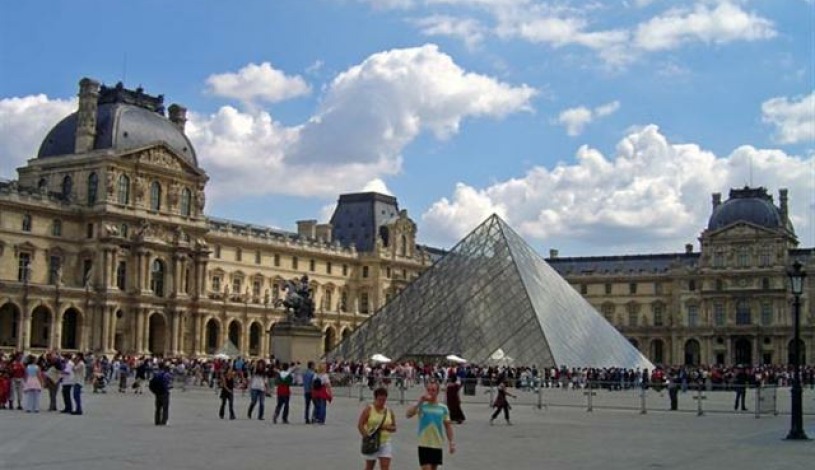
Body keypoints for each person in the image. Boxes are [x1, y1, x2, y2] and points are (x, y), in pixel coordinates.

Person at [406, 379, 455, 470]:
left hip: (437, 443)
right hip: (424, 443)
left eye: (433, 390)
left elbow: (448, 426)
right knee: (426, 468)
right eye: (428, 390)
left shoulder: (443, 408)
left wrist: (451, 442)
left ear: (437, 392)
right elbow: (408, 414)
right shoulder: (422, 406)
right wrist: (420, 401)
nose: (430, 392)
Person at [358, 387, 397, 470]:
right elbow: (360, 424)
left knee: (385, 467)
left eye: (384, 400)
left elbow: (394, 427)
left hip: (385, 442)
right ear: (375, 398)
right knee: (369, 467)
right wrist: (365, 436)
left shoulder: (389, 411)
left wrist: (388, 428)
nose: (382, 402)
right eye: (380, 400)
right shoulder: (369, 409)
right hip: (372, 442)